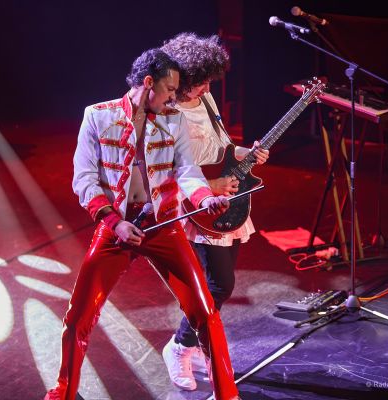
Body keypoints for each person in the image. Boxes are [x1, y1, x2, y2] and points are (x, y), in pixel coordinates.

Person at [43, 48, 241, 400]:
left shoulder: (173, 119)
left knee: (205, 311)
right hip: (116, 227)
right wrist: (113, 222)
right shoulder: (97, 116)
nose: (173, 98)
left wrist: (202, 198)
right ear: (148, 83)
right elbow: (84, 179)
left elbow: (186, 170)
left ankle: (228, 396)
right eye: (168, 90)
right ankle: (63, 393)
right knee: (79, 317)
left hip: (163, 225)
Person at [160, 33, 270, 391]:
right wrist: (210, 187)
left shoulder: (204, 97)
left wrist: (243, 153)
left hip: (226, 198)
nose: (207, 86)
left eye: (209, 80)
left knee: (217, 285)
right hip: (193, 205)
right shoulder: (167, 112)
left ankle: (194, 343)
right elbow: (168, 169)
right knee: (217, 284)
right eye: (201, 80)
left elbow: (219, 146)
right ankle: (180, 346)